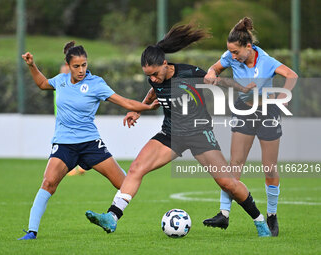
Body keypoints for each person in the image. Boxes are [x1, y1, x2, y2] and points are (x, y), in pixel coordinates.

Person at [85, 24, 272, 237]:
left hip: (199, 133)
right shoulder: (155, 79)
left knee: (227, 182)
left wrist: (243, 88)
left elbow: (218, 81)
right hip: (171, 134)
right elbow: (153, 91)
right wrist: (139, 110)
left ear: (165, 64)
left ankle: (259, 221)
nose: (153, 78)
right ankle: (112, 217)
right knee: (137, 167)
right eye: (149, 76)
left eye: (155, 73)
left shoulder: (189, 73)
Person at [18, 41, 159, 240]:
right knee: (48, 182)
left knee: (125, 183)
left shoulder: (96, 84)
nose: (82, 69)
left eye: (84, 65)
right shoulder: (61, 80)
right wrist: (32, 65)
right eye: (76, 66)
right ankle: (31, 232)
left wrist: (148, 108)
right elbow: (42, 84)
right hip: (64, 144)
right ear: (68, 65)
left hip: (90, 144)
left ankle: (113, 217)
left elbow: (125, 102)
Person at [202, 17, 298, 236]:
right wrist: (211, 72)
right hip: (244, 110)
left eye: (236, 52)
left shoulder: (266, 61)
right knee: (234, 164)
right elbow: (215, 68)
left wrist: (284, 96)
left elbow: (292, 75)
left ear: (249, 47)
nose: (232, 57)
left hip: (267, 112)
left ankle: (272, 215)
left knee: (269, 167)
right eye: (230, 52)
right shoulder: (230, 56)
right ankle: (223, 215)